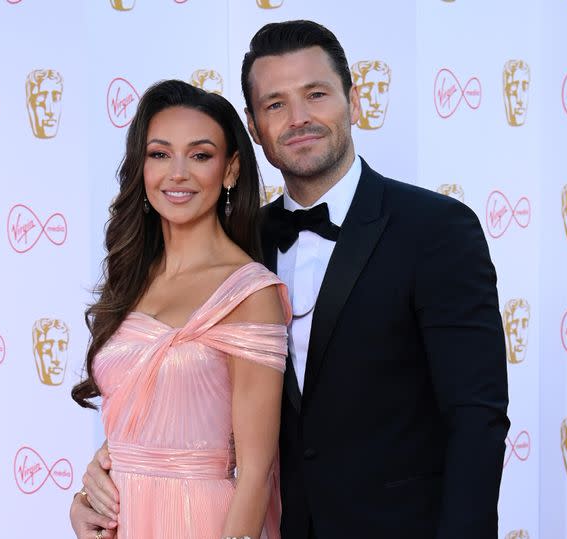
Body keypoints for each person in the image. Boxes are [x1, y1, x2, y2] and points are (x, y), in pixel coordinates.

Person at [74, 20, 509, 538]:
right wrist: (106, 473)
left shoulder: (436, 230)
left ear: (353, 99)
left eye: (316, 94)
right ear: (254, 129)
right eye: (275, 104)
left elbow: (476, 420)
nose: (299, 118)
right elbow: (191, 397)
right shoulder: (239, 248)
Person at [70, 79, 291, 539]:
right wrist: (84, 504)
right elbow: (134, 427)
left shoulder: (249, 293)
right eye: (159, 154)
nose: (177, 173)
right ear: (141, 167)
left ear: (230, 170)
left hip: (201, 521)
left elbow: (255, 472)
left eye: (200, 155)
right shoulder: (131, 279)